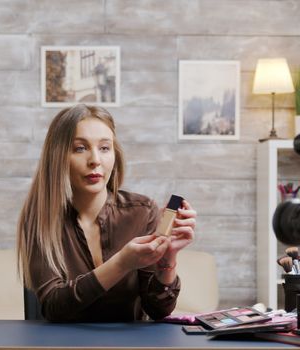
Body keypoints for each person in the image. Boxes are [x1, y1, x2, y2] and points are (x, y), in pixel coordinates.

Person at [16, 104, 197, 322]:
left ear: (114, 154)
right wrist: (121, 263)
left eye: (104, 148)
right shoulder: (40, 220)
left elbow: (158, 309)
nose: (95, 160)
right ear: (58, 157)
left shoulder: (142, 212)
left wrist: (167, 260)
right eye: (80, 148)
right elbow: (54, 307)